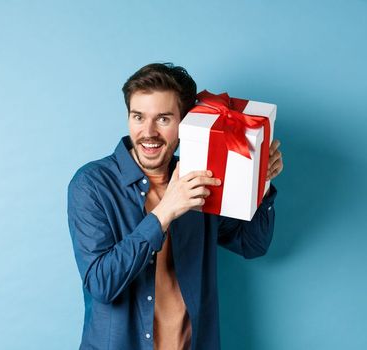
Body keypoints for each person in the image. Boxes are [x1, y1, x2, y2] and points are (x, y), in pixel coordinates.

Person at [66, 63, 284, 350]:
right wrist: (164, 213)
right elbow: (101, 284)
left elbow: (252, 244)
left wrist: (262, 183)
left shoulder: (201, 179)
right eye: (138, 117)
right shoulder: (91, 185)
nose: (148, 132)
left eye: (164, 119)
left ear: (185, 122)